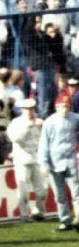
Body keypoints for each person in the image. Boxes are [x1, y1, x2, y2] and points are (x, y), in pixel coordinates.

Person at [37, 97, 79, 231]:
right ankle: (65, 221)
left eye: (66, 106)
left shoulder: (74, 119)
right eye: (61, 106)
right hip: (54, 163)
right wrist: (43, 163)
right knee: (60, 195)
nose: (64, 109)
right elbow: (43, 144)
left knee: (76, 191)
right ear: (56, 107)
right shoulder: (49, 122)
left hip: (70, 160)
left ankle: (78, 218)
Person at [7, 99, 48, 221]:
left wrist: (42, 126)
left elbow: (44, 140)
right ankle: (24, 215)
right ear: (22, 110)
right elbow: (14, 138)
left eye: (31, 109)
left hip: (37, 159)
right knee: (23, 190)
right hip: (22, 159)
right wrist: (27, 127)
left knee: (42, 190)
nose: (30, 111)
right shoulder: (16, 122)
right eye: (27, 109)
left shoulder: (40, 122)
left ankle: (38, 212)